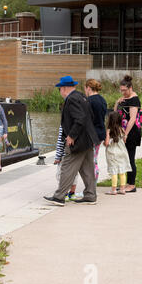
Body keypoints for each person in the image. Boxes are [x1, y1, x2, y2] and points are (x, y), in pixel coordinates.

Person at [43, 75, 99, 206]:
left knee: (67, 167)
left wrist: (72, 136)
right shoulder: (82, 96)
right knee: (87, 169)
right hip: (88, 138)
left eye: (60, 89)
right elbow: (89, 116)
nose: (60, 93)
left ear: (64, 88)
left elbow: (79, 119)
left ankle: (59, 197)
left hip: (78, 141)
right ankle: (91, 195)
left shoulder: (72, 99)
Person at [113, 75, 141, 193]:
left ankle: (132, 184)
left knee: (130, 158)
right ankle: (125, 183)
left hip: (131, 132)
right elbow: (114, 113)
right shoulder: (124, 99)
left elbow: (133, 119)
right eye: (121, 90)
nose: (123, 92)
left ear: (130, 88)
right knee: (124, 158)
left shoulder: (134, 99)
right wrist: (117, 102)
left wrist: (126, 134)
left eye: (125, 90)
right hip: (123, 132)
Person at [104, 111, 132, 195]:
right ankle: (122, 189)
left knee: (114, 171)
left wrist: (104, 142)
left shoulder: (109, 130)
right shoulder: (122, 129)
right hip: (122, 152)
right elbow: (124, 140)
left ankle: (113, 190)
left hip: (113, 153)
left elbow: (107, 143)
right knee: (122, 171)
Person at [84, 79, 107, 182]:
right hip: (100, 133)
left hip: (91, 135)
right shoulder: (103, 100)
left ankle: (92, 186)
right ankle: (93, 185)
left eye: (85, 88)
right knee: (94, 159)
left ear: (88, 88)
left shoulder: (89, 101)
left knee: (91, 162)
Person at [54, 125, 78, 201]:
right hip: (76, 154)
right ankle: (72, 193)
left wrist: (58, 157)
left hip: (65, 155)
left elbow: (60, 142)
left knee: (61, 174)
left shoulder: (64, 125)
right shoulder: (78, 124)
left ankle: (65, 194)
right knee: (74, 174)